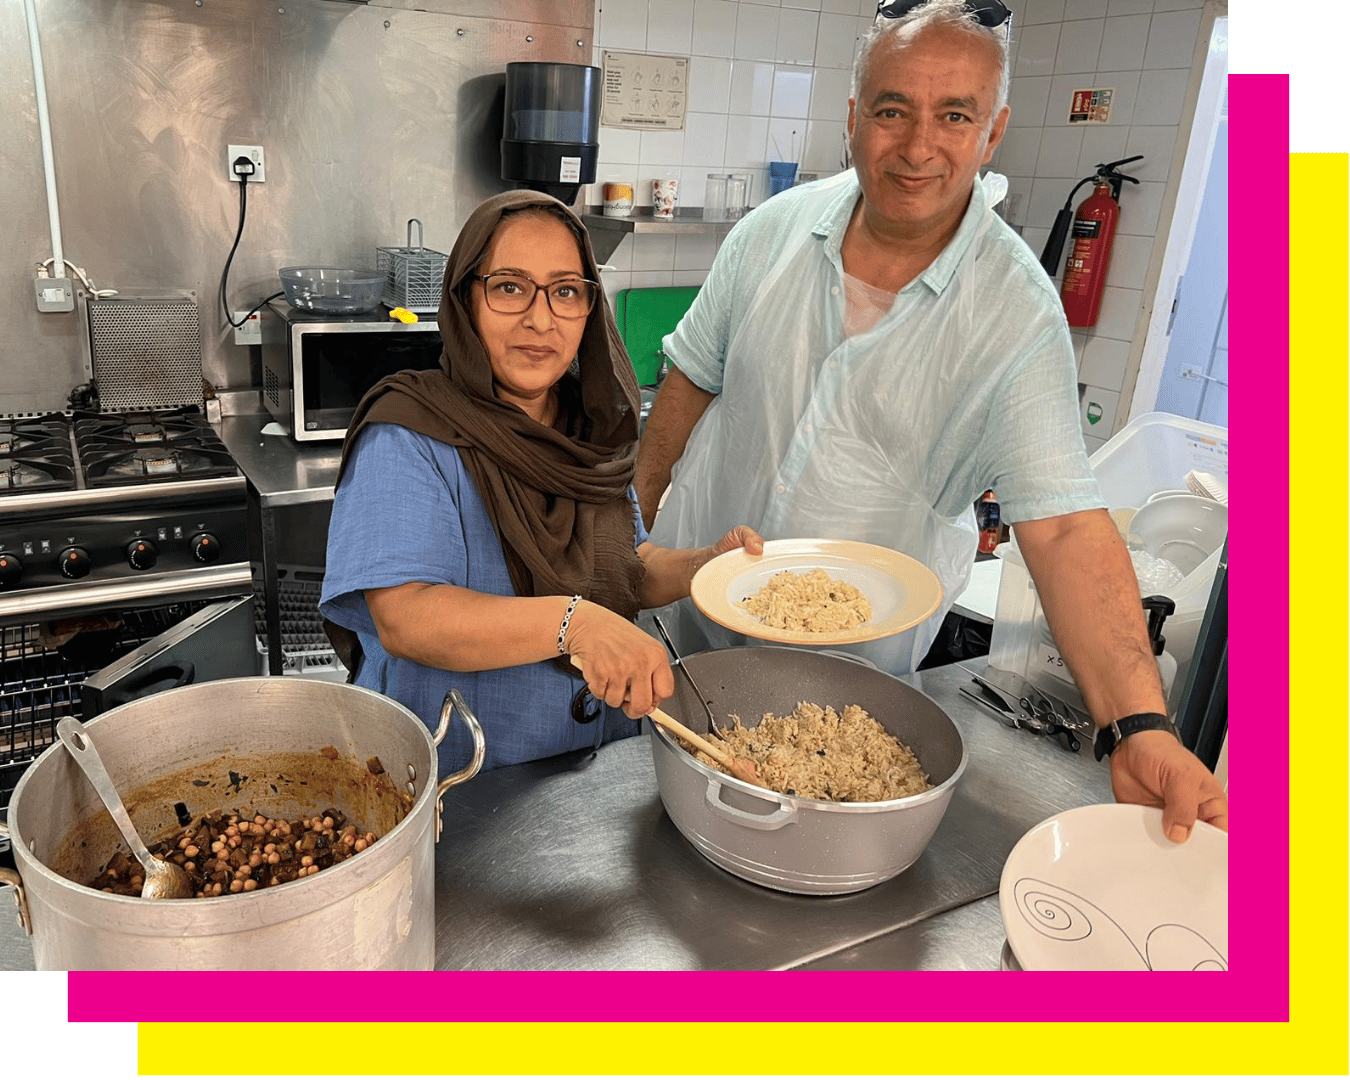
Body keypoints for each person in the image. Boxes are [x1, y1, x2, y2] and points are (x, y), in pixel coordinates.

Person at [634, 0, 1227, 842]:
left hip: (847, 682)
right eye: (892, 111)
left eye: (955, 115)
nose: (918, 147)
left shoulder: (1016, 316)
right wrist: (631, 541)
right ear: (853, 120)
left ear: (994, 131)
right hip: (684, 620)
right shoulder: (768, 234)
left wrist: (1141, 725)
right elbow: (689, 381)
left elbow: (1060, 528)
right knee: (653, 822)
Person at [320, 190, 762, 778]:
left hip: (594, 763)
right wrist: (576, 623)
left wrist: (705, 567)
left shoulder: (590, 430)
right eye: (509, 287)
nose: (540, 318)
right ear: (466, 298)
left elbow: (627, 565)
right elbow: (407, 617)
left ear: (588, 308)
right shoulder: (411, 433)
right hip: (465, 776)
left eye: (565, 291)